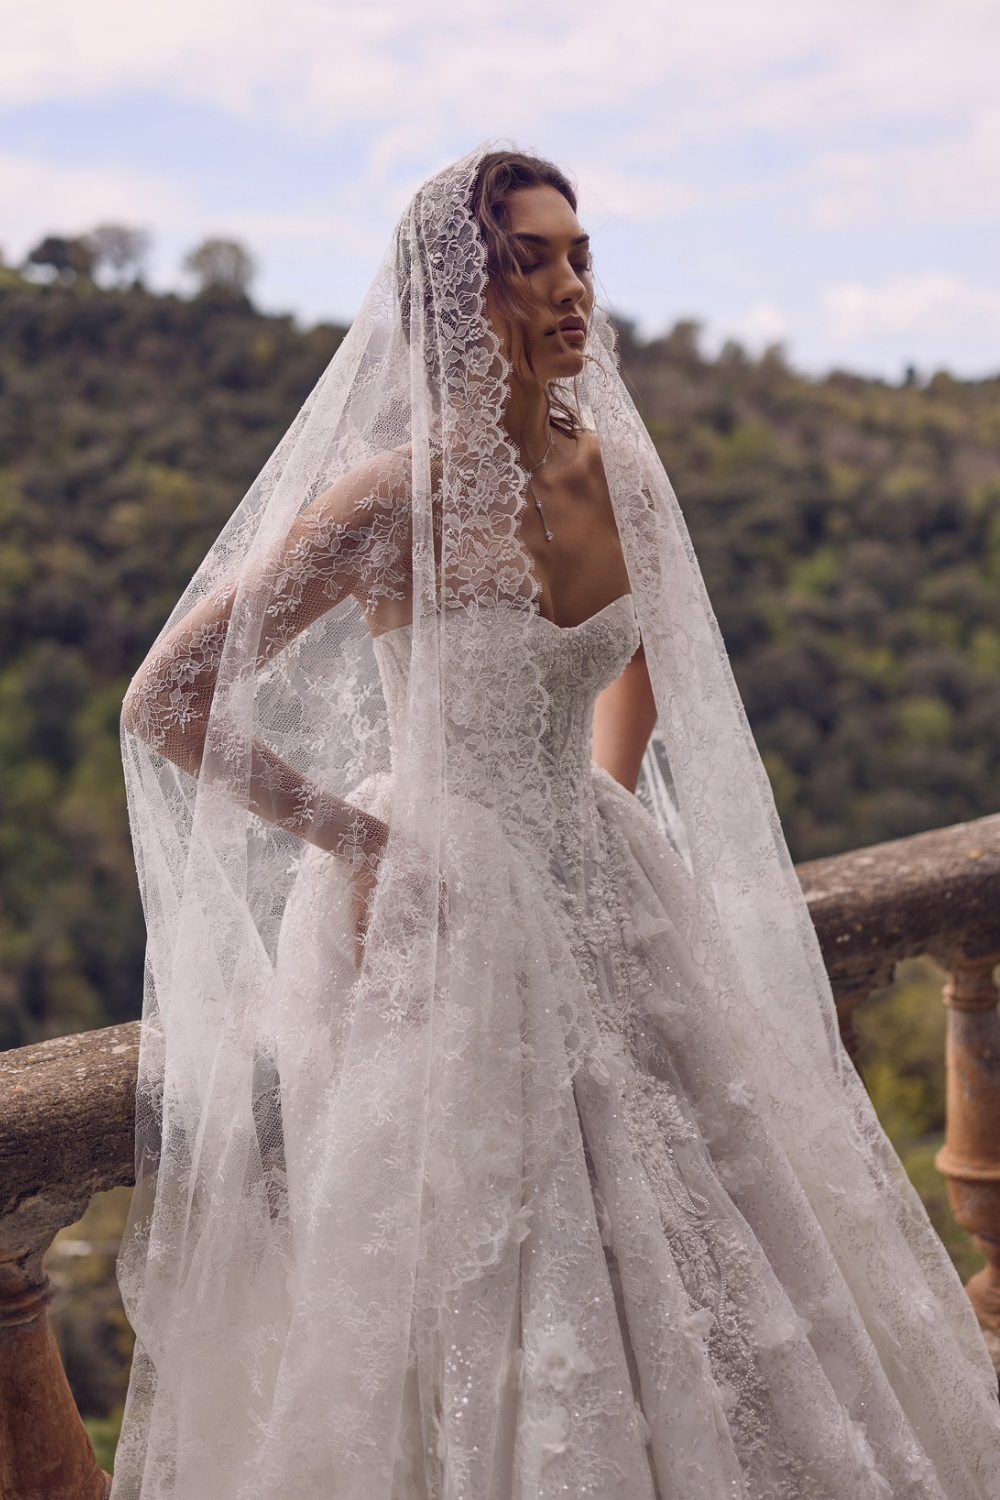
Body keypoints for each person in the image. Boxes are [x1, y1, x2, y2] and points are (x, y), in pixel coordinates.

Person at [115, 147, 1000, 1499]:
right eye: (532, 258)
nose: (572, 284)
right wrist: (367, 842)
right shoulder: (387, 500)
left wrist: (598, 805)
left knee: (715, 1222)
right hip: (455, 913)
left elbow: (637, 662)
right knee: (502, 1265)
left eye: (579, 252)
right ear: (457, 296)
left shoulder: (620, 475)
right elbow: (165, 696)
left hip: (604, 875)